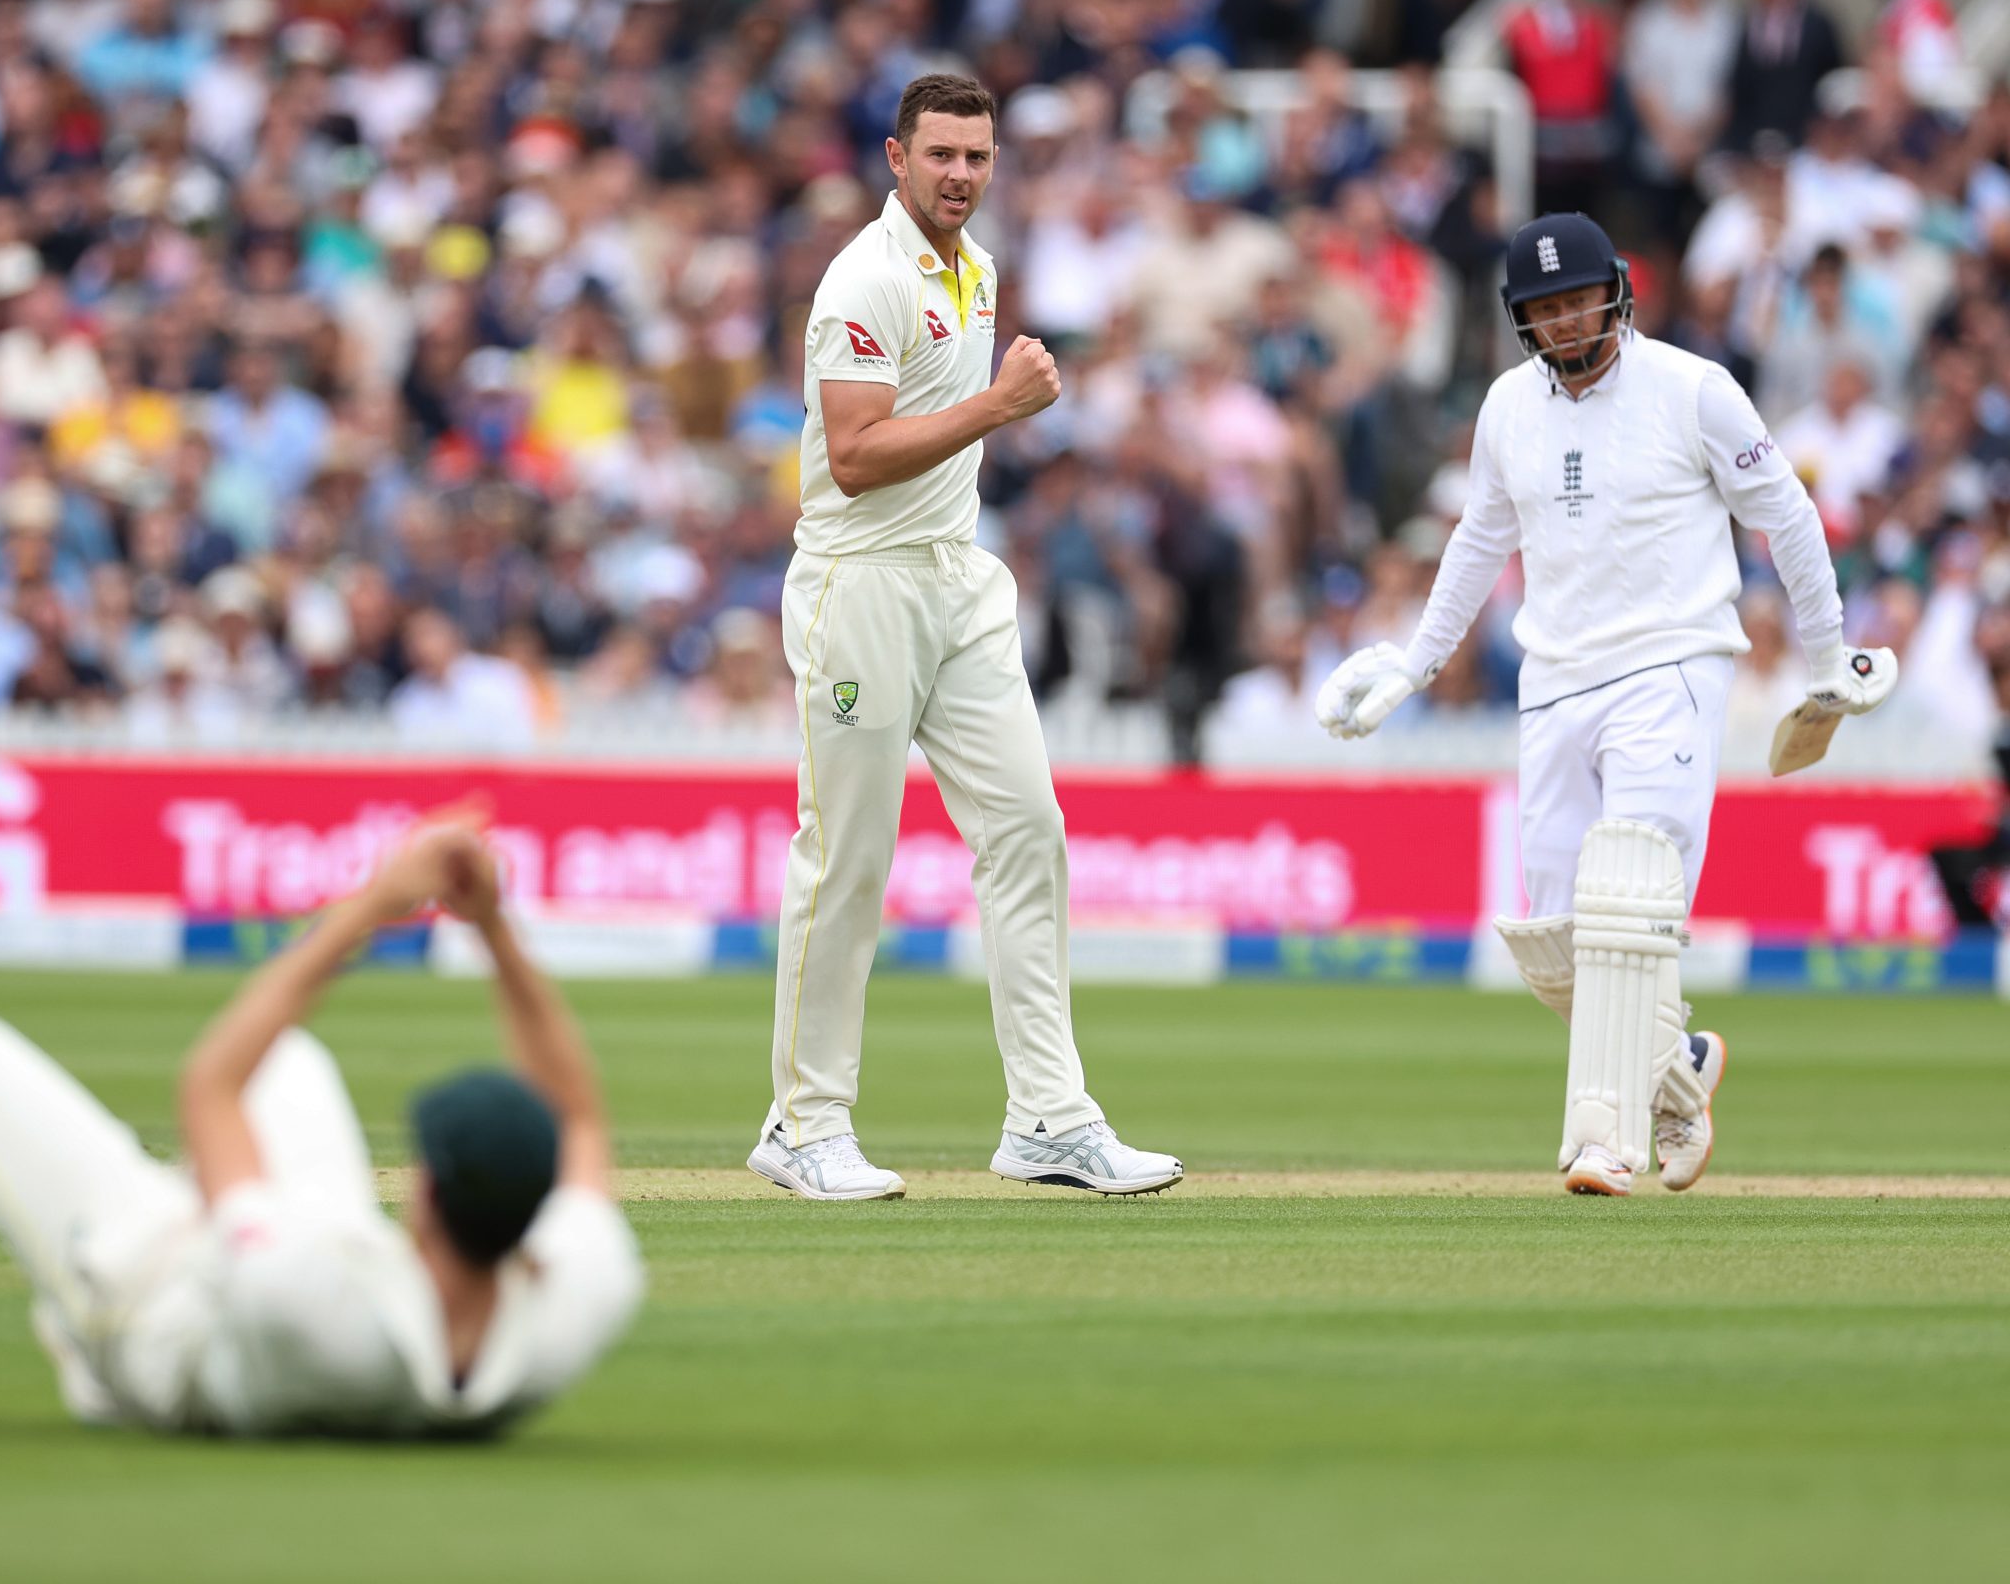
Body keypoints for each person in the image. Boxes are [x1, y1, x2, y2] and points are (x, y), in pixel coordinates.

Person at [0, 816, 644, 1438]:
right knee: (295, 1068)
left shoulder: (306, 1300)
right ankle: (136, 1227)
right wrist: (496, 927)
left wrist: (374, 905)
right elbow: (580, 1109)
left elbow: (209, 1087)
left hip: (157, 1330)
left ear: (420, 1193)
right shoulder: (580, 1293)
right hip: (316, 1295)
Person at [1314, 213, 1896, 1198]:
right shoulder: (1506, 406)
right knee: (1551, 943)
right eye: (1543, 309)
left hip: (1672, 665)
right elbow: (1477, 542)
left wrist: (1827, 652)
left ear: (1615, 292)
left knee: (1629, 900)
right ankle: (1679, 1075)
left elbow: (1785, 516)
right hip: (1553, 683)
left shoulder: (1691, 389)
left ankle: (1604, 1141)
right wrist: (1416, 662)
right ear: (1520, 321)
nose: (1565, 320)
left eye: (1578, 298)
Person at [747, 72, 1182, 1202]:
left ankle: (1047, 1116)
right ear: (895, 158)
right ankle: (804, 1124)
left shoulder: (976, 269)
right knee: (848, 854)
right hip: (861, 584)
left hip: (958, 579)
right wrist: (997, 405)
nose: (959, 175)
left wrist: (991, 410)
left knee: (1029, 830)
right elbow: (853, 453)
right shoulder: (864, 277)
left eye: (977, 158)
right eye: (940, 154)